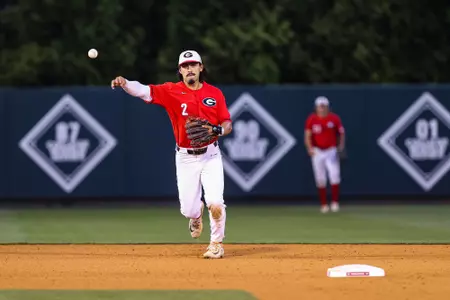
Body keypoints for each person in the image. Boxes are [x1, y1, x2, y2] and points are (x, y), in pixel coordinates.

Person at [111, 50, 232, 258]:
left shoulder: (215, 93)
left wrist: (218, 130)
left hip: (211, 155)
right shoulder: (171, 91)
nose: (189, 69)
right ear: (180, 71)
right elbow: (144, 91)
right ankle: (195, 216)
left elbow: (227, 122)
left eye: (193, 64)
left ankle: (216, 244)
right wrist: (125, 83)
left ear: (201, 68)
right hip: (185, 157)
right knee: (188, 210)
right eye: (185, 66)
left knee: (216, 202)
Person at [304, 96, 345, 213]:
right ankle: (323, 204)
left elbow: (341, 133)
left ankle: (335, 202)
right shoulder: (312, 119)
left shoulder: (334, 118)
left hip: (331, 150)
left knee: (334, 175)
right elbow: (307, 135)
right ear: (316, 108)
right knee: (320, 177)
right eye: (320, 107)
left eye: (324, 106)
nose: (322, 109)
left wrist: (340, 145)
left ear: (327, 107)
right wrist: (309, 147)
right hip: (317, 151)